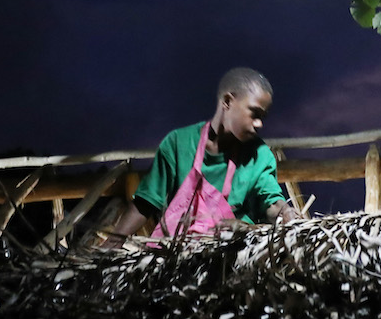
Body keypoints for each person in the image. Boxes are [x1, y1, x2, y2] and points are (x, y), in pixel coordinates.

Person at [109, 67, 303, 241]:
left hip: (231, 253)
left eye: (263, 117)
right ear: (227, 101)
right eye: (254, 113)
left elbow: (271, 201)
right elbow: (146, 202)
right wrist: (112, 243)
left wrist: (285, 212)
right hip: (177, 252)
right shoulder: (178, 142)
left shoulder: (259, 155)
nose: (259, 124)